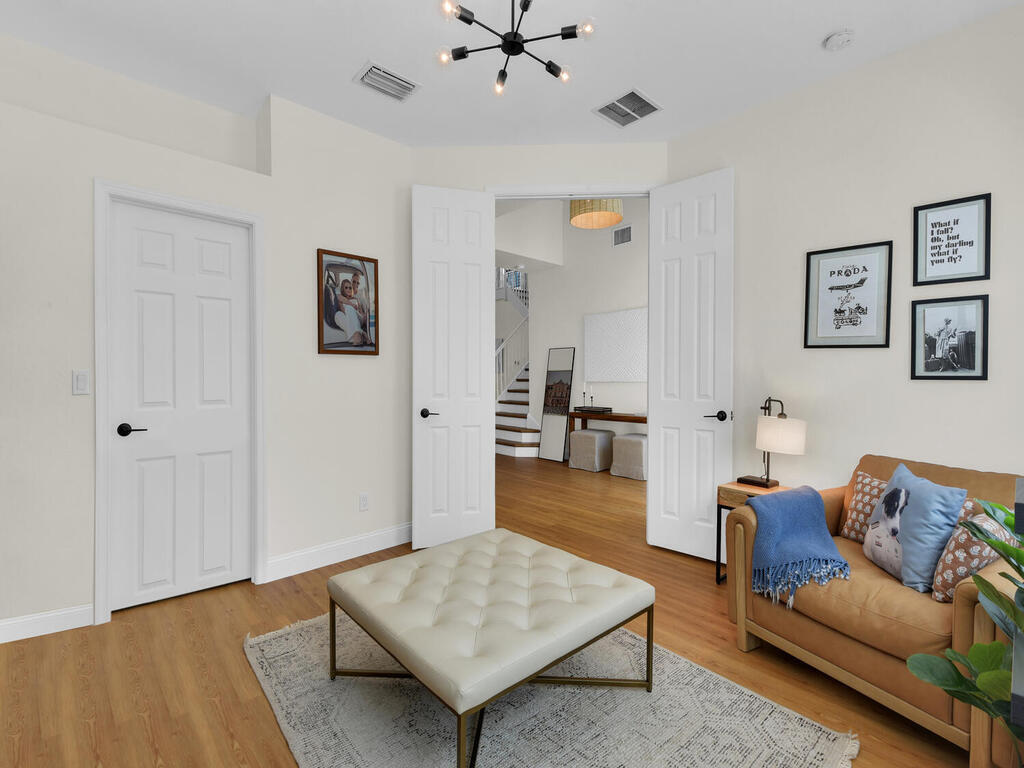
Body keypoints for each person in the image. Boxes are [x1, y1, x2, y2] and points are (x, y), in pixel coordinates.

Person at [334, 279, 369, 345]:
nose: (348, 289)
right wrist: (352, 305)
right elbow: (343, 311)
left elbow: (361, 313)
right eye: (346, 287)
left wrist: (364, 316)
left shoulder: (356, 299)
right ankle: (360, 333)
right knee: (338, 314)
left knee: (349, 308)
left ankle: (358, 335)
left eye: (350, 288)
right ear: (343, 289)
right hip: (348, 317)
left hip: (358, 318)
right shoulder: (341, 299)